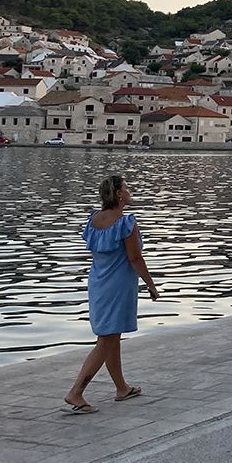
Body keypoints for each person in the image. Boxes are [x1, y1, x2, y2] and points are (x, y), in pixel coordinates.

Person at [64, 175, 159, 414]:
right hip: (118, 286)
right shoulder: (125, 223)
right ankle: (76, 392)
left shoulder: (94, 220)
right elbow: (135, 258)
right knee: (106, 340)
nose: (129, 191)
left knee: (111, 337)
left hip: (98, 282)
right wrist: (151, 285)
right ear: (118, 194)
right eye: (126, 188)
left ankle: (121, 388)